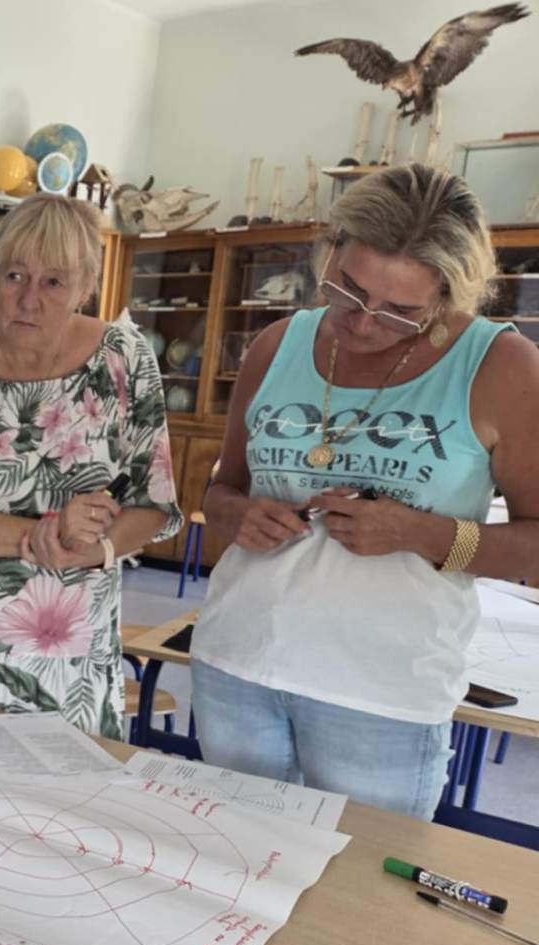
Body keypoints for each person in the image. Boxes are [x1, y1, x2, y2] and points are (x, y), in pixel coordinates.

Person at [191, 164, 539, 818]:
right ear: (332, 250)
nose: (362, 322)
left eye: (401, 311)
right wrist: (242, 514)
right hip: (237, 665)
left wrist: (420, 534)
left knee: (361, 879)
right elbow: (219, 491)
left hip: (381, 694)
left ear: (449, 296)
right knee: (233, 862)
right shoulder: (276, 344)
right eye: (347, 289)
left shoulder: (501, 366)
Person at [0, 192, 181, 736]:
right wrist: (41, 536)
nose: (29, 299)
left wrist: (95, 549)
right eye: (14, 276)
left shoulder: (124, 358)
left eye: (53, 281)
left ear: (85, 286)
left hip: (72, 649)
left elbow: (155, 503)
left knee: (66, 788)